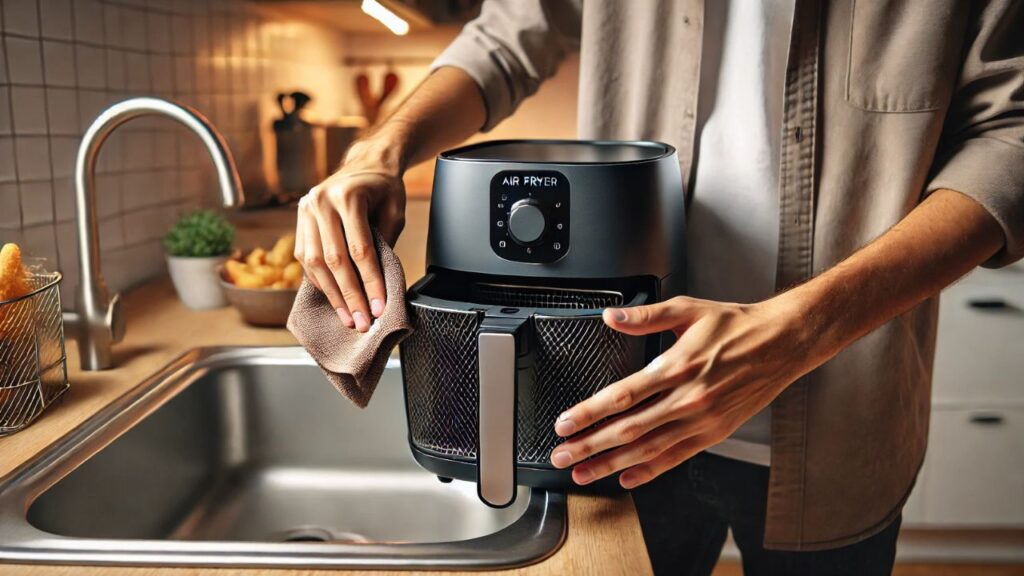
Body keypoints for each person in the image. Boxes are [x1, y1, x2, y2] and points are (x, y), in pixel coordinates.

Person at [293, 1, 1024, 574]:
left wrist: (801, 330)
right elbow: (508, 33)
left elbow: (1011, 136)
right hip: (607, 410)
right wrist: (377, 150)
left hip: (841, 403)